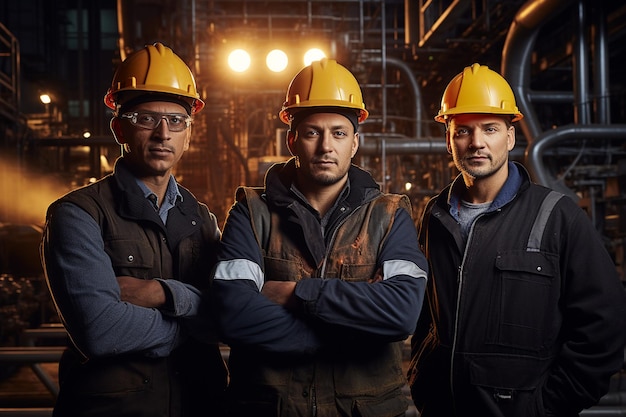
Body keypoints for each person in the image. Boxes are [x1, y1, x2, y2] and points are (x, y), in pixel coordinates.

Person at [211, 58, 428, 417]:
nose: (326, 146)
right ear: (292, 138)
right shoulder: (251, 213)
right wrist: (356, 329)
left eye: (339, 133)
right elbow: (232, 315)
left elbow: (402, 314)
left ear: (355, 143)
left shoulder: (389, 216)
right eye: (313, 132)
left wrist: (298, 293)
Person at [407, 63, 626, 417]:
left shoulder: (557, 215)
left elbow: (606, 327)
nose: (476, 142)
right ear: (449, 139)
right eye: (463, 130)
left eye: (490, 129)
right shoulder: (435, 216)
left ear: (510, 136)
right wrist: (422, 375)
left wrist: (547, 406)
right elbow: (425, 316)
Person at [40, 42, 227, 417]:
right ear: (119, 128)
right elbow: (101, 331)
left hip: (199, 404)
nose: (163, 134)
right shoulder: (78, 214)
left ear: (188, 134)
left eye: (176, 121)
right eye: (145, 118)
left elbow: (227, 315)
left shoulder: (200, 217)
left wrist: (163, 293)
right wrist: (192, 320)